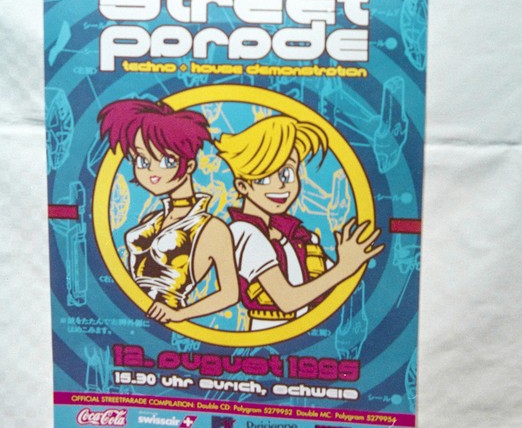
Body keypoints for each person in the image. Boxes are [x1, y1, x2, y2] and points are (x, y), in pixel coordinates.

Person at [215, 115, 383, 331]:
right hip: (269, 336)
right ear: (242, 186)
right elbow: (287, 300)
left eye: (287, 173)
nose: (279, 186)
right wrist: (344, 268)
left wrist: (346, 261)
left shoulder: (291, 232)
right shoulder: (244, 232)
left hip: (308, 330)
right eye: (263, 178)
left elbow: (326, 282)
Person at [98, 98, 239, 324]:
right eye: (142, 161)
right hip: (129, 317)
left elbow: (230, 294)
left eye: (166, 161)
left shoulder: (212, 228)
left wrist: (180, 315)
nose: (152, 171)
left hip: (166, 323)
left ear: (190, 166)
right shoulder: (152, 218)